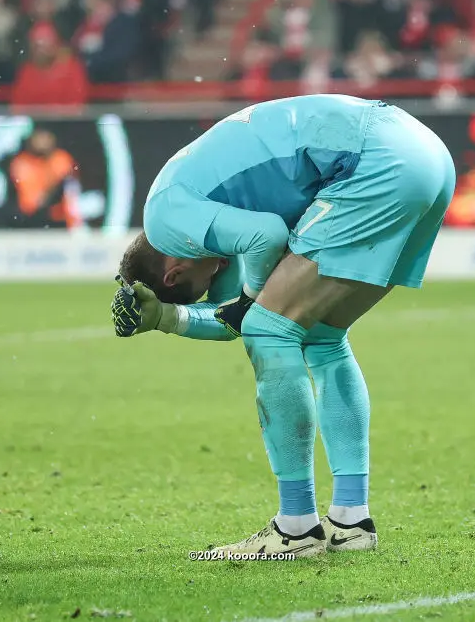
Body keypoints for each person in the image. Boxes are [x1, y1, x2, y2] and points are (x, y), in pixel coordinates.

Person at [110, 95, 456, 557]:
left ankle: (295, 529)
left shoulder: (165, 219)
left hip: (374, 161)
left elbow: (264, 256)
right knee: (322, 336)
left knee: (272, 332)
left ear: (173, 274)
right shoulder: (206, 215)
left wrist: (250, 300)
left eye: (198, 284)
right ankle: (351, 520)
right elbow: (240, 313)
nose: (215, 277)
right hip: (425, 154)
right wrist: (171, 318)